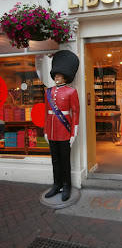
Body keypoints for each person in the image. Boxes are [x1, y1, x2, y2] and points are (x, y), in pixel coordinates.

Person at [44, 50, 80, 202]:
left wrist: (74, 133)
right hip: (52, 132)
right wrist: (46, 132)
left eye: (59, 75)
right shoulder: (48, 92)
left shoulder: (71, 92)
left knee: (65, 161)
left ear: (65, 76)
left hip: (64, 131)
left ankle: (67, 186)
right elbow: (46, 114)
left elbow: (76, 113)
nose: (56, 77)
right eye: (55, 75)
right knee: (55, 160)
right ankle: (56, 184)